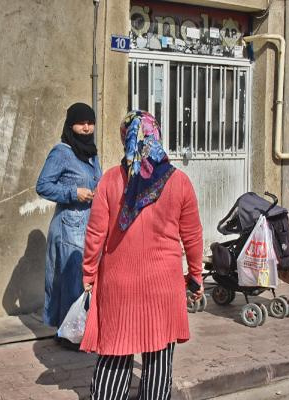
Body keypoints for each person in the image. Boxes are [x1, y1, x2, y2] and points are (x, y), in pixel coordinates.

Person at [80, 110, 204, 399]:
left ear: (127, 138)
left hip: (118, 285)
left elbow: (95, 235)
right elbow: (193, 236)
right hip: (164, 285)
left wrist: (88, 274)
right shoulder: (179, 181)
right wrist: (195, 276)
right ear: (156, 135)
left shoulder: (110, 180)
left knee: (114, 352)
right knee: (159, 357)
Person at [36, 103, 102, 343]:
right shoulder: (61, 152)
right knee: (72, 280)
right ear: (70, 124)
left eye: (90, 122)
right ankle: (68, 334)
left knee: (86, 280)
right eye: (81, 123)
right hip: (68, 227)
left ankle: (81, 330)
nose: (86, 128)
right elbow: (43, 185)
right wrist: (74, 193)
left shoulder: (92, 153)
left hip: (89, 226)